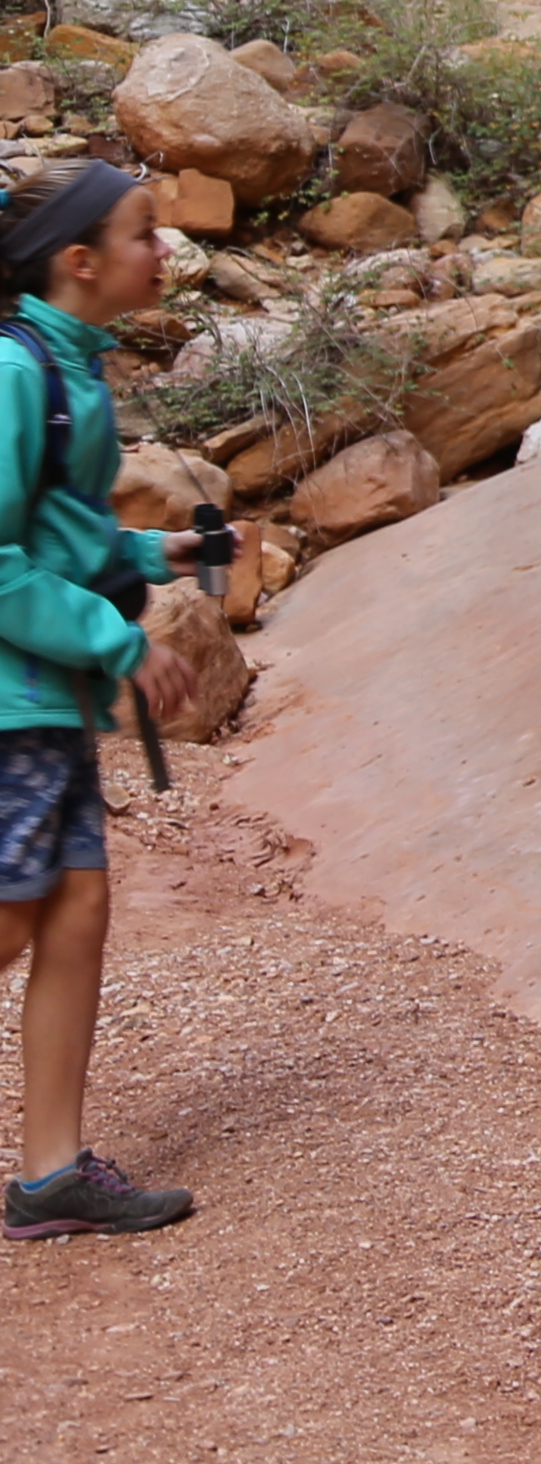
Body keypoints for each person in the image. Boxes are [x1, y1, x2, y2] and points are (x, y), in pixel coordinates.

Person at [0, 160, 199, 1239]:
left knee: (73, 910)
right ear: (80, 263)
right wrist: (117, 642)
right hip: (9, 696)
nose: (161, 251)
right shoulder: (14, 373)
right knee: (17, 910)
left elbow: (51, 537)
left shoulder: (65, 365)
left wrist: (150, 552)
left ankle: (50, 1174)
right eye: (144, 234)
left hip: (41, 693)